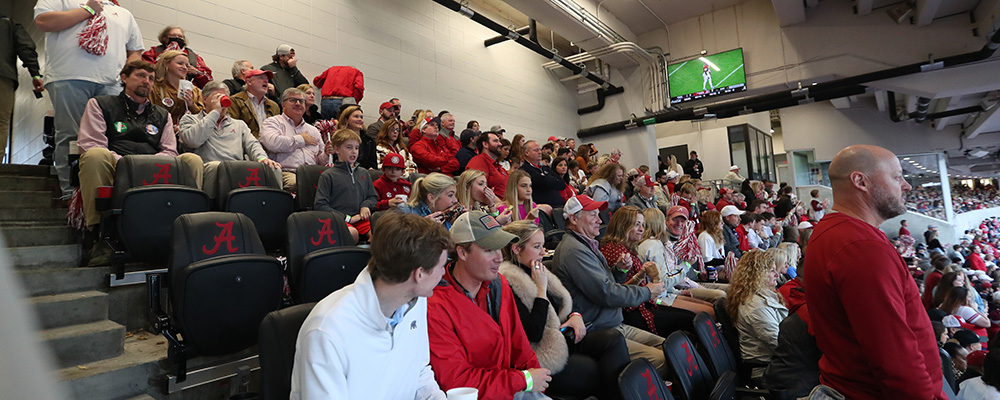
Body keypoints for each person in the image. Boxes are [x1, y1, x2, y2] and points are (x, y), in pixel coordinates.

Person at [804, 145, 945, 399]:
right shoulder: (861, 247)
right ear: (860, 181)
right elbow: (894, 358)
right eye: (896, 176)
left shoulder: (835, 233)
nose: (906, 185)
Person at [290, 212, 452, 400]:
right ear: (419, 274)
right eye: (442, 265)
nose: (443, 271)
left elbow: (420, 373)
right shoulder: (326, 329)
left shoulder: (415, 301)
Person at [76, 61, 203, 264]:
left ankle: (189, 230)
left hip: (155, 168)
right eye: (141, 75)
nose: (147, 81)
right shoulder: (100, 104)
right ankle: (101, 236)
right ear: (124, 78)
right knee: (94, 156)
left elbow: (169, 150)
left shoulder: (162, 114)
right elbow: (90, 144)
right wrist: (129, 165)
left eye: (151, 78)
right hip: (116, 166)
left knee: (192, 160)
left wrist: (146, 166)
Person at [427, 210, 552, 400]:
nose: (499, 258)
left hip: (508, 389)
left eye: (499, 248)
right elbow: (458, 384)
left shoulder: (499, 283)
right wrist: (523, 380)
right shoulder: (435, 304)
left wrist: (534, 382)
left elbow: (520, 346)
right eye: (488, 250)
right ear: (462, 252)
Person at [499, 221, 631, 400]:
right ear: (516, 249)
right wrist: (540, 291)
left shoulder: (537, 270)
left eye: (543, 246)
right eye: (537, 246)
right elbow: (533, 333)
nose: (543, 252)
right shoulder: (511, 281)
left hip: (564, 335)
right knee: (600, 371)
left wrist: (574, 315)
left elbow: (562, 304)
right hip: (543, 354)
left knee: (613, 339)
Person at [34, 0, 144, 200]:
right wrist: (88, 9)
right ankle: (71, 195)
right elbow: (44, 21)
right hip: (68, 76)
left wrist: (126, 77)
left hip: (111, 83)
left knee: (112, 139)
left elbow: (135, 50)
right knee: (71, 136)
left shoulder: (123, 13)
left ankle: (106, 194)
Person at [551, 196, 670, 376]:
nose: (600, 220)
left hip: (614, 322)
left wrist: (619, 271)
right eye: (593, 215)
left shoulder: (587, 244)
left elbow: (608, 284)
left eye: (599, 215)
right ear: (574, 219)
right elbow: (606, 293)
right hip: (600, 329)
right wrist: (647, 292)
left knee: (670, 348)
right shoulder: (574, 250)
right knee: (664, 361)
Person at [176, 81, 281, 199]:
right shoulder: (190, 119)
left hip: (236, 168)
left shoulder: (239, 124)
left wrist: (262, 159)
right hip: (210, 168)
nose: (222, 101)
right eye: (217, 97)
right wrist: (215, 113)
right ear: (204, 99)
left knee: (273, 168)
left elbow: (253, 145)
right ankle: (210, 206)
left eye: (225, 97)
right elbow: (193, 141)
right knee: (217, 167)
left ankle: (274, 205)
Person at [639, 207, 717, 315]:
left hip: (666, 293)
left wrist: (677, 292)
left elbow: (662, 279)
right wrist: (687, 264)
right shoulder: (653, 245)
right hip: (656, 300)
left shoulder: (654, 243)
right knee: (711, 311)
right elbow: (664, 282)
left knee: (711, 307)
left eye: (683, 220)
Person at [314, 129, 378, 243]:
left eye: (356, 148)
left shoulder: (364, 173)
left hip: (361, 218)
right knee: (351, 234)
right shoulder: (328, 175)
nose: (354, 152)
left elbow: (373, 197)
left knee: (381, 233)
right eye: (349, 147)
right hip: (340, 219)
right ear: (337, 149)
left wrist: (366, 206)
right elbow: (320, 205)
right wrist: (347, 218)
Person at [726, 249, 787, 364]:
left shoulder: (758, 296)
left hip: (775, 362)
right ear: (758, 274)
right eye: (771, 271)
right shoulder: (756, 306)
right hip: (767, 369)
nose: (777, 274)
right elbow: (779, 341)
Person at [258, 88, 326, 192]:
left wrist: (327, 153)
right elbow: (273, 143)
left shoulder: (313, 130)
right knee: (297, 184)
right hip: (285, 172)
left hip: (311, 173)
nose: (298, 103)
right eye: (293, 100)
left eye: (301, 101)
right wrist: (301, 139)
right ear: (283, 104)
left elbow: (320, 161)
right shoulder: (272, 122)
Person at [0, 15, 42, 163]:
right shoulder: (9, 24)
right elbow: (25, 48)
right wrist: (35, 74)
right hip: (3, 77)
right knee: (1, 123)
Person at [140, 26, 212, 88]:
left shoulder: (194, 58)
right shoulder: (154, 52)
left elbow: (208, 83)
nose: (177, 38)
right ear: (165, 38)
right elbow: (143, 68)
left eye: (180, 36)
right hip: (158, 89)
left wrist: (197, 73)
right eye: (173, 36)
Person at [149, 50, 204, 126]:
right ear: (166, 63)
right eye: (180, 63)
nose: (184, 67)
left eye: (187, 66)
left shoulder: (195, 91)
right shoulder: (153, 87)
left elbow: (203, 118)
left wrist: (191, 105)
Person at [228, 69, 280, 138]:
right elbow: (232, 129)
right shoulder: (235, 101)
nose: (266, 81)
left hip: (269, 146)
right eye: (261, 78)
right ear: (249, 82)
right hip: (244, 145)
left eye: (267, 79)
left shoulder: (274, 106)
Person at [520, 140, 566, 207]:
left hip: (558, 206)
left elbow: (562, 184)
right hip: (541, 208)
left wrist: (546, 179)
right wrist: (551, 180)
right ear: (527, 153)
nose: (540, 152)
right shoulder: (524, 170)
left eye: (540, 150)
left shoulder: (545, 168)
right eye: (536, 150)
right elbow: (542, 182)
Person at [467, 130, 510, 198]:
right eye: (495, 141)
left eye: (499, 141)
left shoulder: (497, 165)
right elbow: (478, 191)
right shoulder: (479, 162)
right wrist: (503, 206)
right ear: (485, 144)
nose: (500, 144)